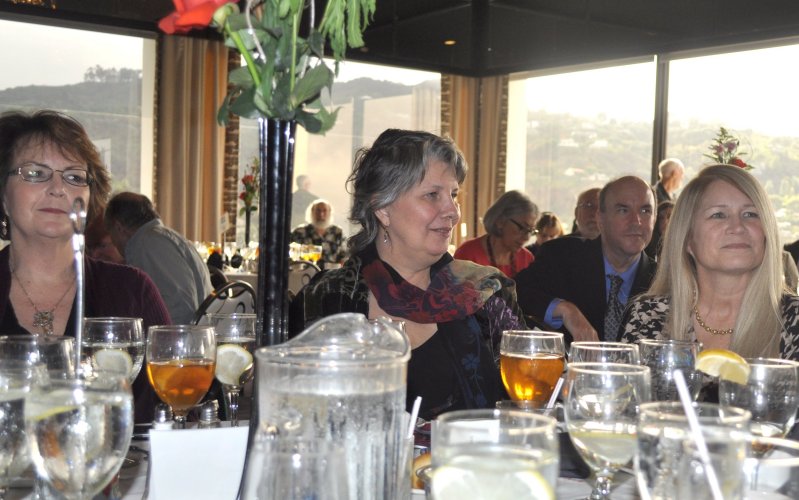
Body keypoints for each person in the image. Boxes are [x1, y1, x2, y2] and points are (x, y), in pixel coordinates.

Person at [289, 129, 527, 420]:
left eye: (453, 195)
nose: (453, 211)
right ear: (382, 208)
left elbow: (525, 402)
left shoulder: (487, 293)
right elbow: (294, 410)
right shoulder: (327, 299)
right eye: (432, 195)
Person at [0, 110, 170, 422]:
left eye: (74, 177)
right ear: (4, 196)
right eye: (35, 173)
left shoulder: (133, 291)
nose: (58, 188)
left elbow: (166, 412)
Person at [621, 165, 799, 360]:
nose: (737, 227)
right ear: (688, 238)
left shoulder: (793, 319)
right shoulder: (648, 316)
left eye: (750, 214)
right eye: (718, 215)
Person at [515, 176, 657, 343]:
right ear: (600, 219)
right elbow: (512, 293)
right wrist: (565, 310)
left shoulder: (665, 281)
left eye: (645, 211)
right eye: (623, 210)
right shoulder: (562, 257)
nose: (636, 221)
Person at [105, 192, 213, 325]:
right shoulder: (166, 237)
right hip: (200, 329)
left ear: (118, 227)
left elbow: (180, 309)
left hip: (185, 334)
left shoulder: (147, 244)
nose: (113, 243)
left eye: (110, 234)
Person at [453, 190, 538, 278]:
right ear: (500, 221)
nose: (527, 237)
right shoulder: (468, 253)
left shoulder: (527, 259)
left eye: (530, 231)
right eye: (522, 228)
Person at [290, 198, 347, 266]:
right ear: (312, 211)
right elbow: (290, 255)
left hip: (332, 271)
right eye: (318, 210)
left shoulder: (338, 232)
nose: (321, 214)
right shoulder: (299, 232)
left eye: (324, 210)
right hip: (306, 271)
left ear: (330, 212)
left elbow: (345, 257)